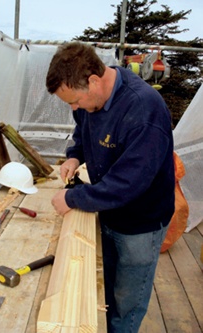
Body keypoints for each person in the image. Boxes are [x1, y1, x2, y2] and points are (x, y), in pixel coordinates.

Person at [46, 42, 175, 333]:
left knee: (127, 299)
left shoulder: (144, 111)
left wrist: (74, 197)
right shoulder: (89, 98)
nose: (74, 109)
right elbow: (82, 129)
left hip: (141, 221)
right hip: (108, 209)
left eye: (74, 101)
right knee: (108, 282)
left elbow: (129, 182)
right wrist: (75, 154)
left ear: (93, 80)